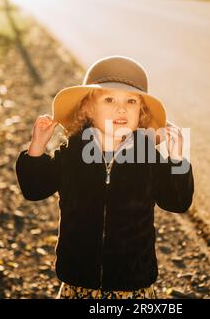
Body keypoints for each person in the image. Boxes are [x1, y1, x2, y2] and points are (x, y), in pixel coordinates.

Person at [15, 55, 194, 299]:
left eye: (131, 101)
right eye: (109, 99)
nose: (121, 108)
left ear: (140, 112)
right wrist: (36, 148)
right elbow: (34, 189)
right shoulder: (72, 153)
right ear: (88, 108)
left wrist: (177, 161)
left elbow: (177, 201)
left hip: (132, 284)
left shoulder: (147, 156)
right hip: (78, 280)